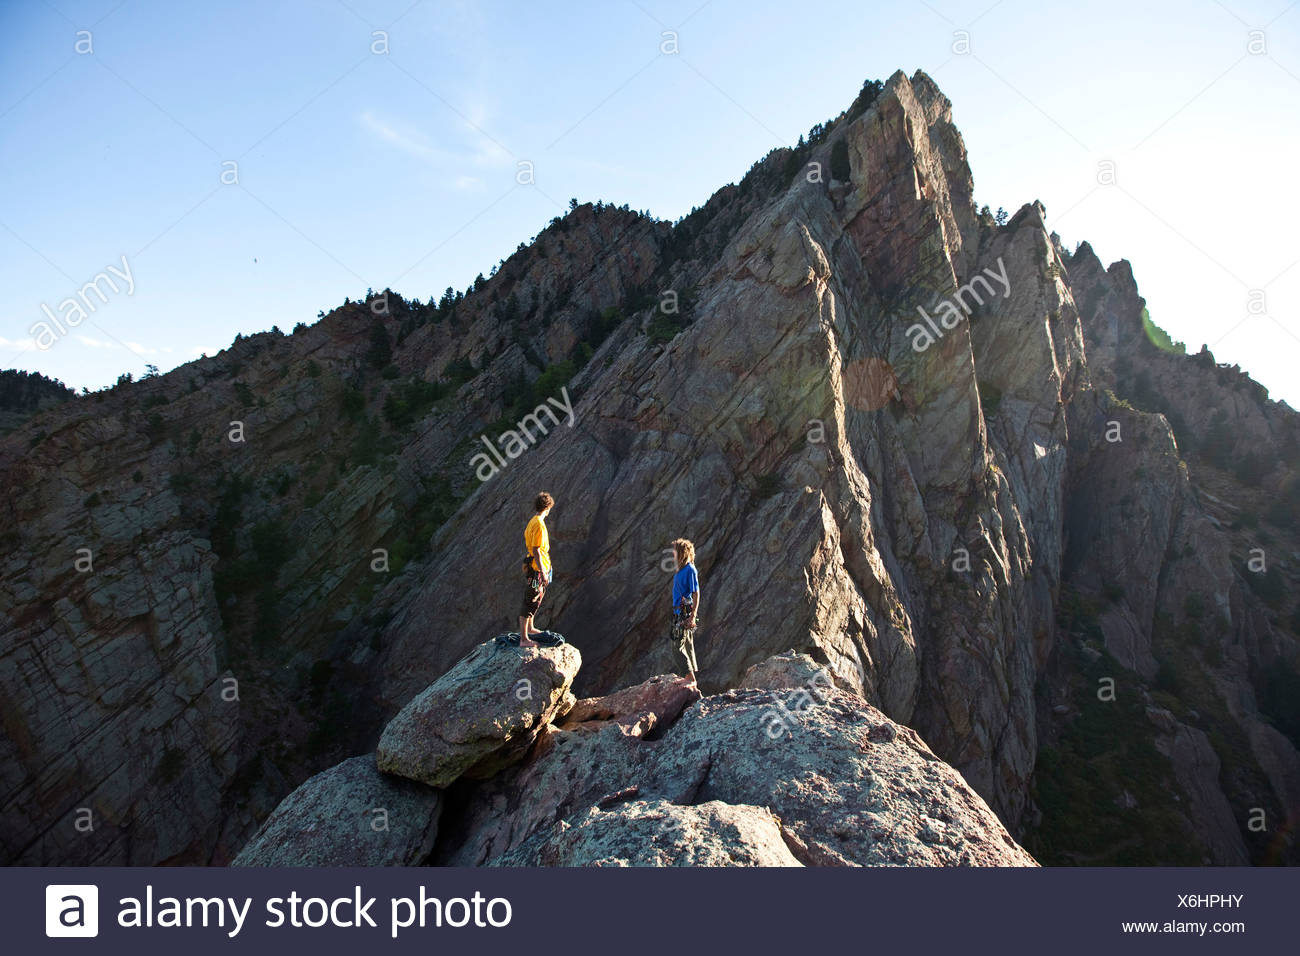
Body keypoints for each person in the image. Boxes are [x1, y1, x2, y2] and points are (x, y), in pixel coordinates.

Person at [519, 492, 554, 648]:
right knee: (530, 600)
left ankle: (531, 628)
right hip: (536, 569)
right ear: (547, 507)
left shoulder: (533, 521)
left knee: (535, 598)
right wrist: (543, 572)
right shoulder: (539, 524)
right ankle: (524, 639)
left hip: (534, 567)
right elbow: (537, 550)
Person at [670, 538, 701, 688]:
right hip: (679, 611)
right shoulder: (681, 570)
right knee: (686, 644)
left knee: (676, 645)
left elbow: (696, 593)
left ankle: (689, 677)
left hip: (684, 611)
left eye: (675, 552)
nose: (673, 555)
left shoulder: (690, 570)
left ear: (682, 552)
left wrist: (693, 615)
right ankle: (691, 677)